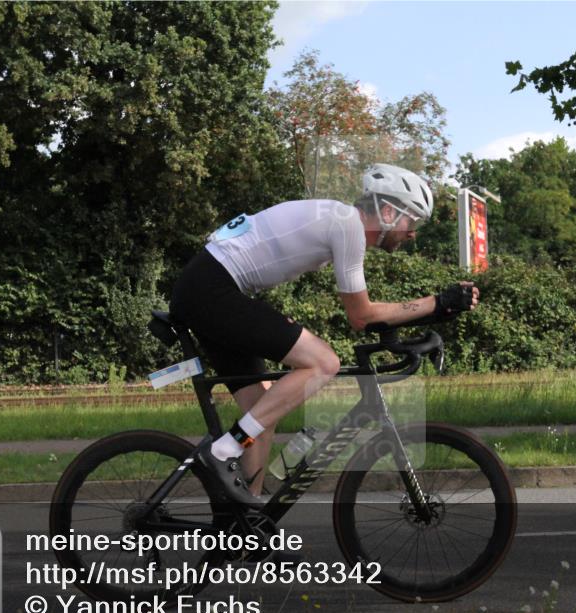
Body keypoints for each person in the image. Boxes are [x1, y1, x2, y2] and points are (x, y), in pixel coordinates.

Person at [170, 164, 479, 508]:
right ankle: (223, 450)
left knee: (260, 411)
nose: (412, 234)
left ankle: (246, 523)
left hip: (211, 288)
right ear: (389, 211)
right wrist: (436, 302)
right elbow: (361, 316)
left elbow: (365, 313)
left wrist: (437, 309)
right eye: (412, 221)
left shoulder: (338, 219)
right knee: (323, 363)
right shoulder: (347, 225)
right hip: (212, 290)